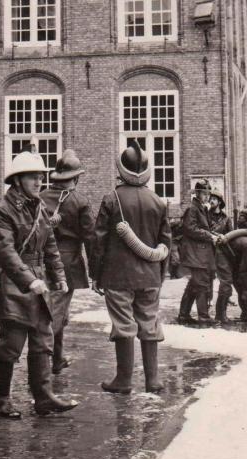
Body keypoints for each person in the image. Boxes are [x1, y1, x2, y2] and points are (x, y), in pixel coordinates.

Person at [0, 151, 77, 418]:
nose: (39, 182)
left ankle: (43, 397)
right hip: (15, 283)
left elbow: (50, 245)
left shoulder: (39, 207)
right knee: (12, 344)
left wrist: (58, 274)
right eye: (32, 177)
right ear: (17, 180)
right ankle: (1, 399)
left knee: (42, 340)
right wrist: (29, 280)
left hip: (39, 282)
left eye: (41, 177)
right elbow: (6, 252)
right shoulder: (2, 210)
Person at [90, 141, 171, 394]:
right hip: (150, 275)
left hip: (118, 275)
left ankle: (124, 380)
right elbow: (166, 241)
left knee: (123, 324)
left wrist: (96, 274)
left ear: (121, 169)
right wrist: (161, 273)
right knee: (149, 322)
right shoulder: (158, 201)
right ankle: (153, 379)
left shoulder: (111, 199)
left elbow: (98, 241)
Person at [40, 149, 95, 375]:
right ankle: (43, 364)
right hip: (69, 262)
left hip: (43, 260)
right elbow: (90, 239)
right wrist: (95, 272)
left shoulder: (41, 197)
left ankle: (57, 358)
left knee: (54, 310)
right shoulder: (80, 201)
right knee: (55, 313)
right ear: (76, 177)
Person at [178, 179, 222, 324]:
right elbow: (190, 229)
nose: (206, 196)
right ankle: (203, 316)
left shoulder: (200, 208)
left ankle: (184, 314)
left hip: (199, 253)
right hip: (195, 253)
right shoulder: (193, 208)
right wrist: (209, 236)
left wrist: (213, 235)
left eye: (207, 193)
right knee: (201, 283)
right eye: (204, 193)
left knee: (194, 284)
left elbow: (202, 228)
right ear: (197, 193)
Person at [207, 188, 233, 323]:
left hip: (221, 253)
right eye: (211, 198)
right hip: (207, 253)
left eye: (215, 199)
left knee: (226, 282)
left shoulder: (226, 218)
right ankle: (204, 313)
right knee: (205, 282)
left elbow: (231, 236)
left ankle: (221, 313)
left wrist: (224, 238)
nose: (211, 201)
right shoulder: (205, 215)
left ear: (220, 202)